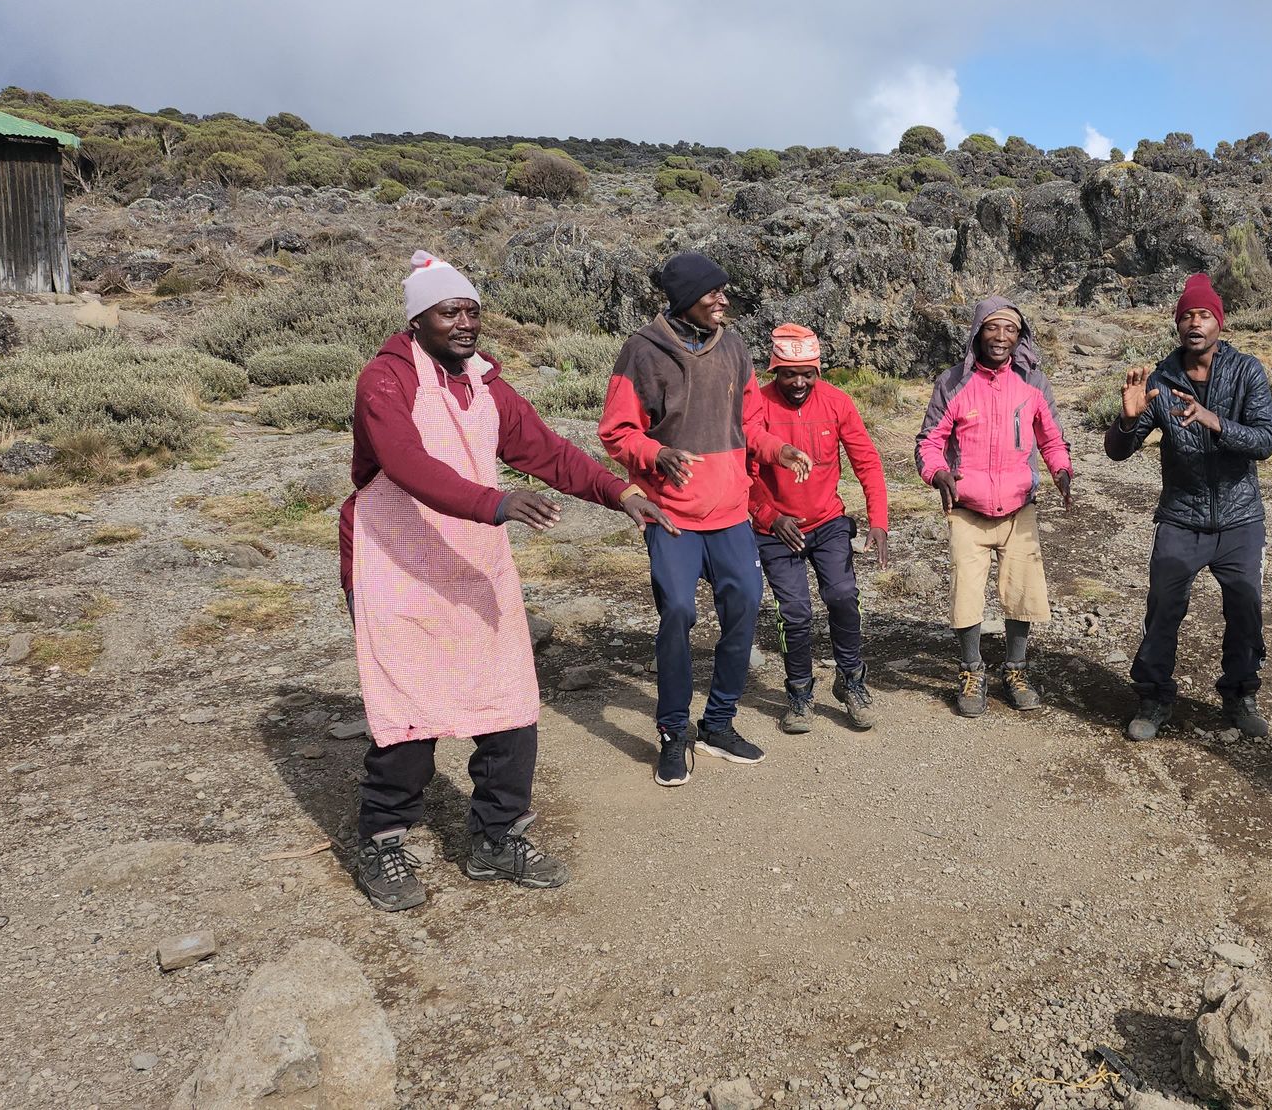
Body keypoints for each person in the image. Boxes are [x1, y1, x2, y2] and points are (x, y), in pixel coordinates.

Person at [341, 251, 671, 912]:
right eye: (449, 311)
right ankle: (382, 837)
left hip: (471, 558)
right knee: (409, 701)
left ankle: (497, 836)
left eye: (472, 311)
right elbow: (403, 462)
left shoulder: (486, 383)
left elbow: (544, 450)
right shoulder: (385, 379)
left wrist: (618, 492)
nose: (465, 323)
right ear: (418, 318)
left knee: (508, 694)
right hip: (396, 562)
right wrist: (494, 503)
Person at [599, 251, 812, 787]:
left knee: (742, 609)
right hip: (671, 515)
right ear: (682, 298)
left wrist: (777, 451)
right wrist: (655, 455)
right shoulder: (641, 353)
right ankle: (674, 733)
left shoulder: (734, 347)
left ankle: (718, 724)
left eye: (724, 290)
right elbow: (616, 431)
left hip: (731, 512)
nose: (723, 300)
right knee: (677, 616)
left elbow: (748, 426)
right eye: (711, 292)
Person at [1106, 273, 1272, 742]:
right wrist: (1125, 420)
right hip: (1181, 517)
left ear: (1219, 323)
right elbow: (1117, 453)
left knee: (1245, 607)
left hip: (1241, 518)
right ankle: (1154, 695)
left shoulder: (1247, 372)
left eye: (1203, 315)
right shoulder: (1160, 380)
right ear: (1177, 326)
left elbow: (1266, 440)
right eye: (1186, 316)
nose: (1194, 323)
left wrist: (1214, 421)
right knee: (1164, 607)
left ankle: (1240, 694)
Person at [915, 297, 1072, 717]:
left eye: (1010, 330)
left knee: (1022, 590)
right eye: (992, 328)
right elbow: (928, 441)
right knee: (966, 592)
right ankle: (970, 670)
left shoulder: (1034, 382)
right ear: (977, 332)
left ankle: (1015, 669)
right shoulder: (952, 383)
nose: (1000, 337)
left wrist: (1061, 471)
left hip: (1020, 509)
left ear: (1020, 337)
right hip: (967, 509)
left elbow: (1052, 438)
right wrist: (937, 473)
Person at [746, 323, 890, 733]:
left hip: (828, 521)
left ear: (818, 370)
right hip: (776, 528)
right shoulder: (756, 405)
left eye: (807, 373)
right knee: (794, 612)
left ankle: (851, 681)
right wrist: (770, 517)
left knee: (843, 595)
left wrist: (878, 520)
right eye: (789, 373)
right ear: (775, 370)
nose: (798, 382)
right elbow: (744, 474)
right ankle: (799, 693)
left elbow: (867, 462)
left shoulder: (838, 402)